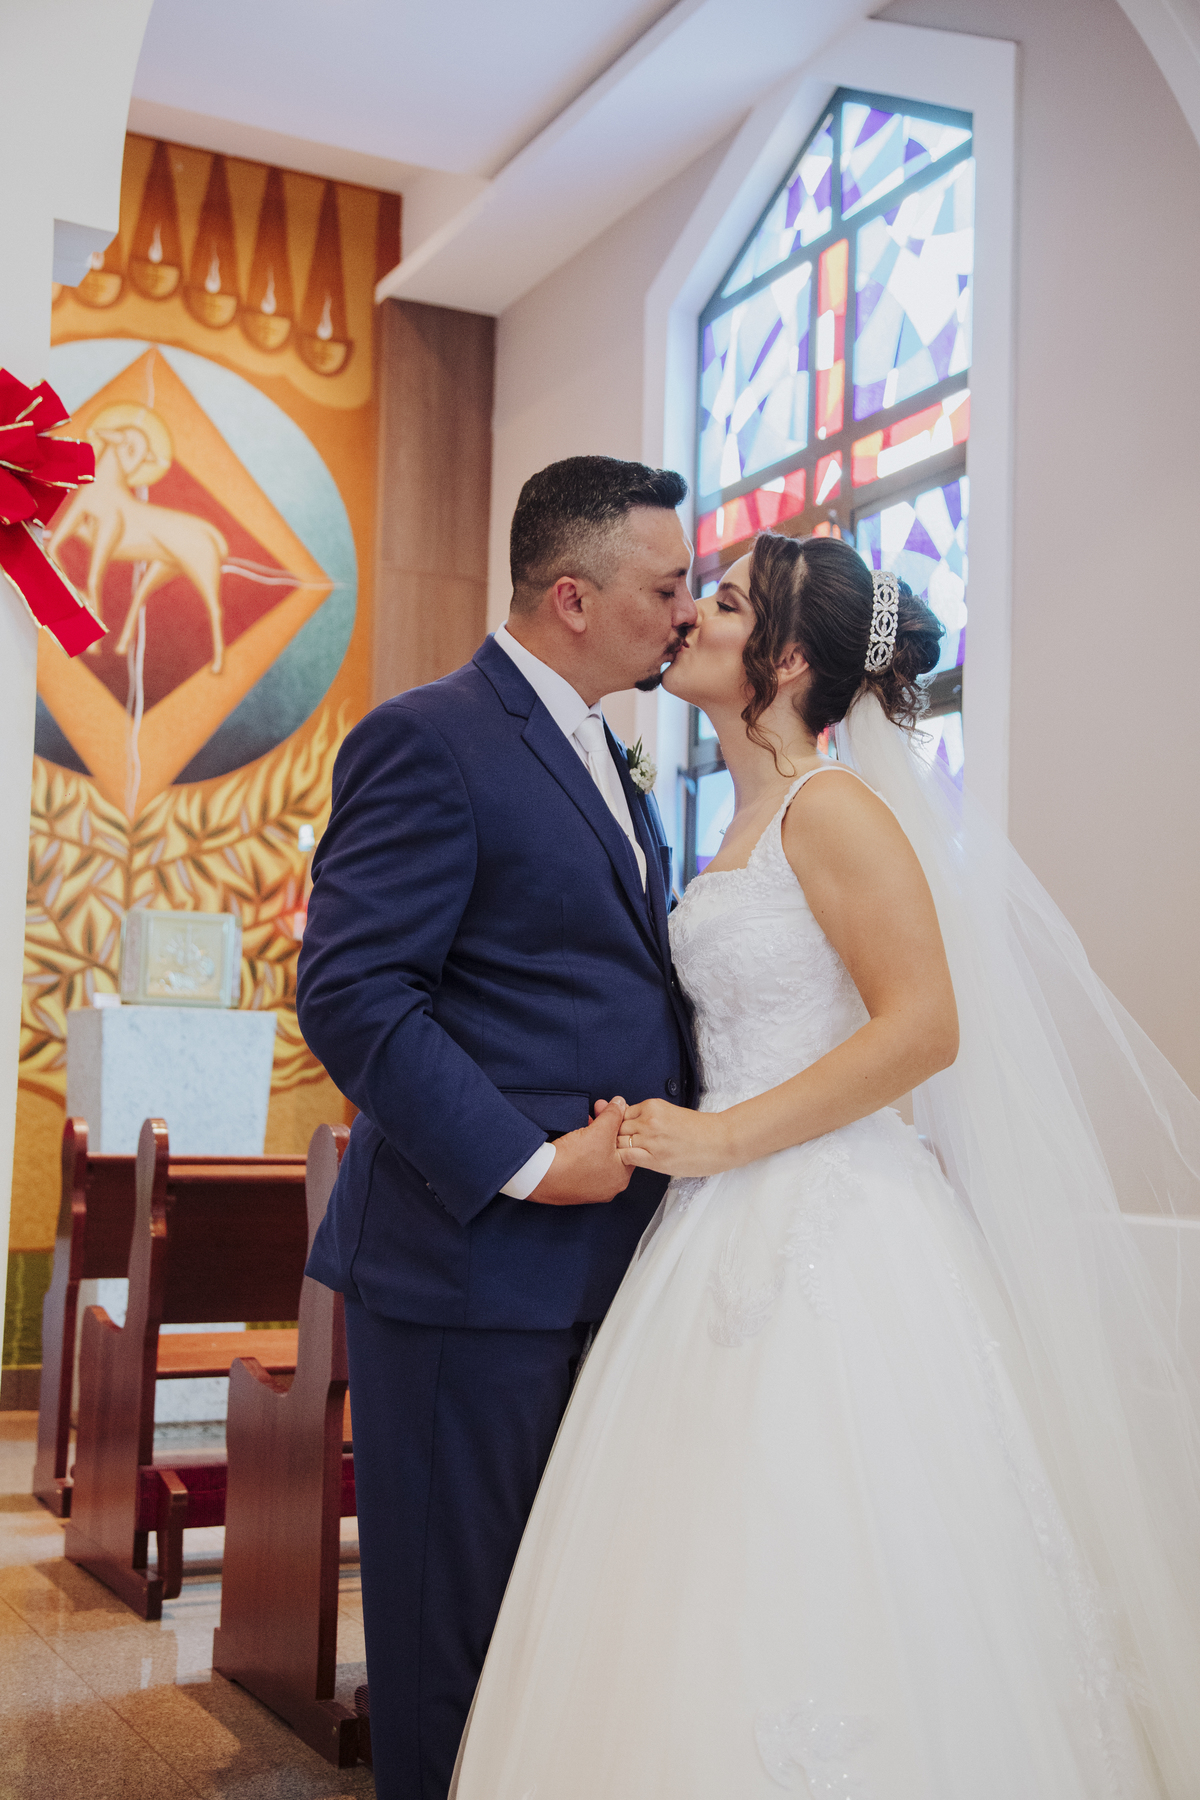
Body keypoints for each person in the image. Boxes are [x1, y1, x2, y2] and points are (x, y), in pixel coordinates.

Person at [450, 531, 1200, 1799]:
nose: (691, 617)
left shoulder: (833, 807)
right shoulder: (741, 822)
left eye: (724, 603)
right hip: (714, 1225)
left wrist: (721, 1136)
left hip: (830, 1223)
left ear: (789, 659)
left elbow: (924, 1028)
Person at [295, 455, 699, 1800]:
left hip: (600, 1267)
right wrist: (527, 1165)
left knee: (547, 1627)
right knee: (449, 1639)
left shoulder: (606, 751)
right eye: (666, 587)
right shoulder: (432, 737)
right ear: (573, 598)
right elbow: (353, 991)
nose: (684, 613)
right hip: (470, 1266)